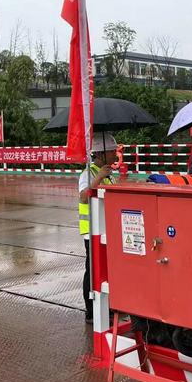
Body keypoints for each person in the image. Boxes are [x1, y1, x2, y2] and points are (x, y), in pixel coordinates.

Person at [78, 133, 119, 324]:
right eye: (112, 151)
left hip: (106, 231)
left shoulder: (110, 175)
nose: (115, 155)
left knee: (107, 270)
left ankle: (108, 305)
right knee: (93, 271)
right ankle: (91, 311)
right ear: (101, 154)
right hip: (92, 232)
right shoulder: (88, 173)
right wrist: (99, 177)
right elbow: (83, 197)